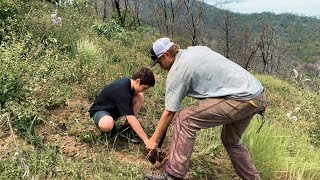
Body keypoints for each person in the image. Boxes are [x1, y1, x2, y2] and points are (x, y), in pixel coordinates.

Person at [145, 38, 266, 180]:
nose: (160, 66)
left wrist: (153, 141)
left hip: (241, 97)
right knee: (230, 140)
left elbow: (170, 112)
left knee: (185, 119)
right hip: (256, 94)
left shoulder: (179, 69)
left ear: (166, 55)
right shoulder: (196, 50)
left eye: (159, 62)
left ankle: (173, 175)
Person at [88, 67, 155, 145]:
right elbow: (131, 118)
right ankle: (109, 129)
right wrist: (146, 140)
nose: (144, 90)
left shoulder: (128, 83)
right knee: (107, 124)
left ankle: (126, 129)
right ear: (138, 81)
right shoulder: (123, 91)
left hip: (113, 111)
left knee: (140, 96)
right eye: (144, 88)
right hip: (100, 111)